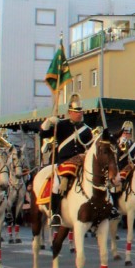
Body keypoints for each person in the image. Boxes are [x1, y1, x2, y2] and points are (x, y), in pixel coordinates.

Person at [39, 96, 93, 227]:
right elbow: (43, 134)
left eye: (81, 111)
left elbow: (90, 147)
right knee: (57, 185)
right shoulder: (61, 125)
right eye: (76, 111)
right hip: (63, 163)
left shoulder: (87, 130)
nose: (79, 114)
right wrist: (48, 123)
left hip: (81, 163)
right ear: (70, 112)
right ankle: (55, 213)